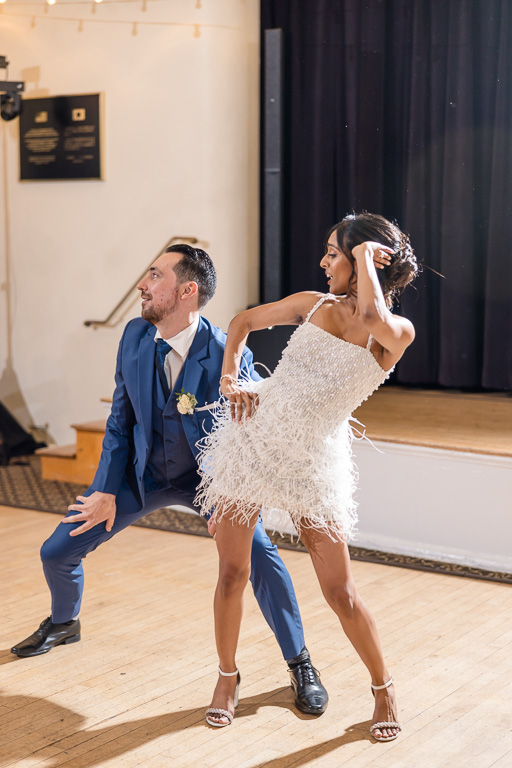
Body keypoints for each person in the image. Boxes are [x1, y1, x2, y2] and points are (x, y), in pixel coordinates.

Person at [11, 244, 328, 716]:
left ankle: (300, 662)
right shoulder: (135, 336)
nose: (142, 283)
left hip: (213, 482)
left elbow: (249, 438)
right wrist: (103, 490)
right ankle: (64, 622)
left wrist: (231, 502)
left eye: (154, 275)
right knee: (57, 550)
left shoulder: (225, 351)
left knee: (260, 556)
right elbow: (120, 420)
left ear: (186, 291)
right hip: (145, 476)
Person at [195, 213, 418, 740]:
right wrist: (231, 377)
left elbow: (371, 312)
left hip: (314, 462)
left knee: (340, 592)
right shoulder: (309, 303)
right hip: (253, 440)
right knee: (231, 574)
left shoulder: (395, 333)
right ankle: (227, 678)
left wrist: (363, 258)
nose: (323, 262)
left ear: (368, 260)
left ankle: (383, 686)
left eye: (334, 253)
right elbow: (243, 322)